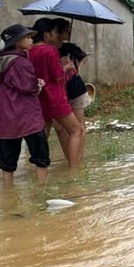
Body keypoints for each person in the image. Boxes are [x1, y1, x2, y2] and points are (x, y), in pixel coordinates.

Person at [0, 24, 50, 184]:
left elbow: (12, 85)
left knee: (7, 162)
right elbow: (29, 88)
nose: (31, 40)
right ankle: (42, 190)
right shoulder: (20, 62)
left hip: (6, 120)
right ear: (17, 42)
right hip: (27, 117)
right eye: (27, 37)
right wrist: (39, 85)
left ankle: (8, 193)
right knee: (40, 157)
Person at [28, 18, 85, 169]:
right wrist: (65, 67)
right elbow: (57, 76)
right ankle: (74, 169)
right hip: (55, 98)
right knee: (76, 130)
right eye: (55, 31)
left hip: (40, 99)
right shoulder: (50, 51)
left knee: (42, 135)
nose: (57, 34)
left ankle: (40, 169)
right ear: (46, 34)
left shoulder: (29, 52)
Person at [52, 18, 91, 165]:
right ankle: (69, 158)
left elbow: (85, 56)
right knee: (61, 129)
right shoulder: (50, 50)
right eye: (66, 29)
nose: (69, 31)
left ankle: (77, 159)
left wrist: (77, 68)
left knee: (79, 125)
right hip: (59, 91)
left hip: (75, 88)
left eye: (69, 29)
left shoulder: (71, 48)